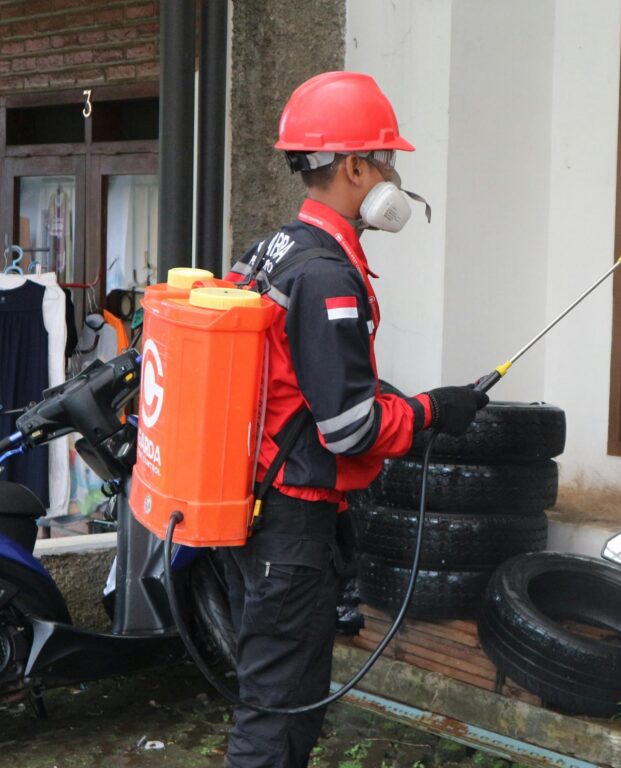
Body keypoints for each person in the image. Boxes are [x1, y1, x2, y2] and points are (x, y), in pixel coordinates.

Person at [222, 71, 488, 768]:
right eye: (388, 158)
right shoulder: (327, 275)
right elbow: (349, 429)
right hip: (292, 520)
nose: (395, 174)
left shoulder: (274, 249)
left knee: (294, 696)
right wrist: (434, 410)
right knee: (276, 713)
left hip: (266, 505)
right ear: (354, 165)